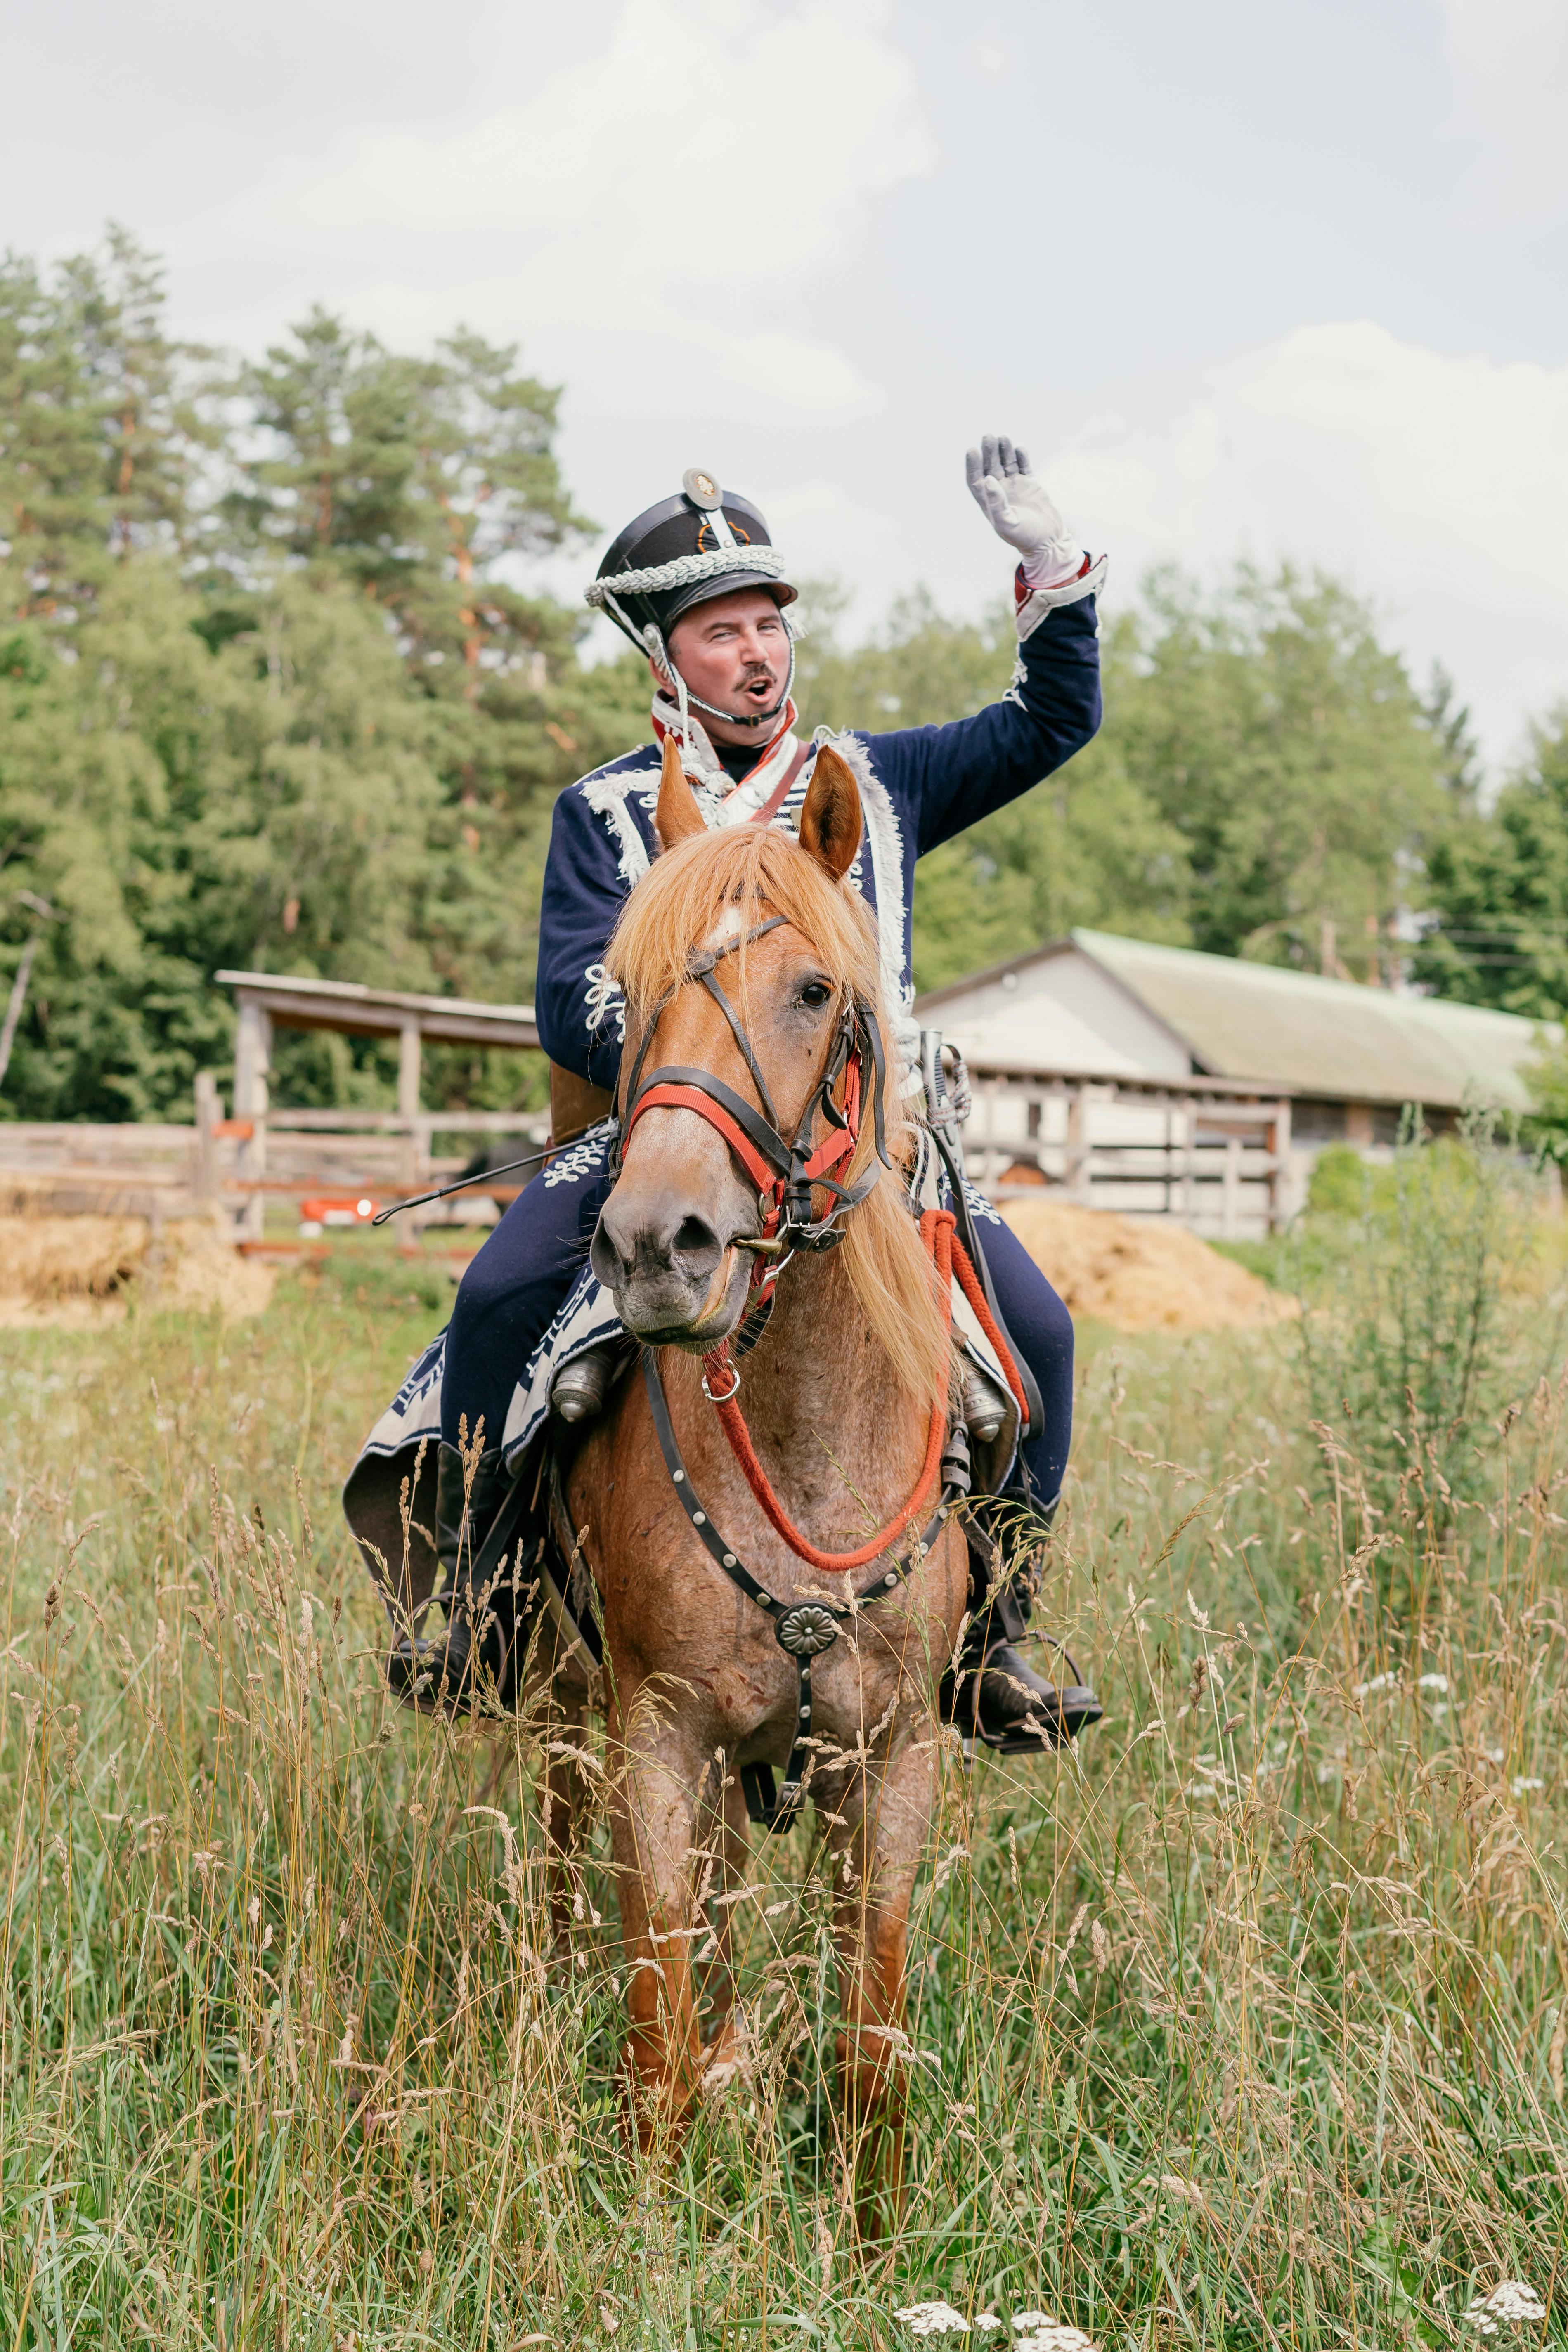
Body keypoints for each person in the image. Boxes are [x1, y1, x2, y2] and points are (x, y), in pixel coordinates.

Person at [428, 440, 1105, 1749]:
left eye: (766, 626)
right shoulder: (609, 812)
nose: (757, 653)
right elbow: (569, 993)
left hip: (867, 1160)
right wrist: (695, 1051)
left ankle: (999, 1635)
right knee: (497, 1295)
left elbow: (1053, 723)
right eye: (720, 632)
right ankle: (487, 1597)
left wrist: (1046, 568)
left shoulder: (875, 785)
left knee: (1043, 1334)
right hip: (665, 1140)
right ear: (664, 661)